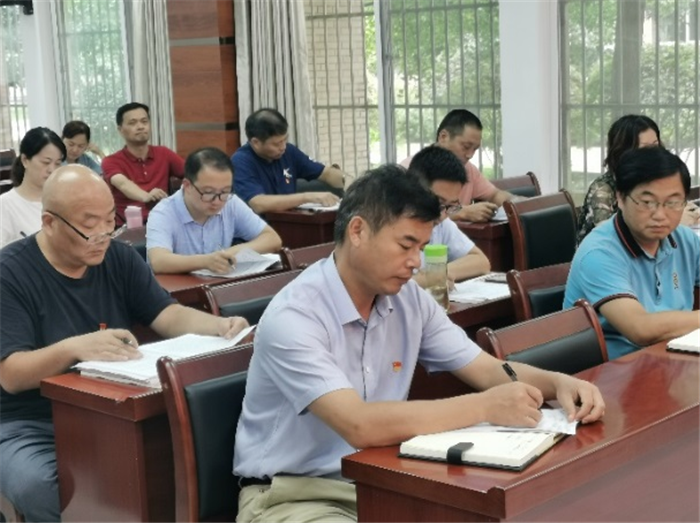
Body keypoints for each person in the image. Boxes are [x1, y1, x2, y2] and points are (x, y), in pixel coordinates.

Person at [233, 165, 605, 523]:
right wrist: (484, 406)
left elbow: (487, 369)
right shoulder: (295, 316)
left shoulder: (407, 299)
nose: (416, 263)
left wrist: (557, 383)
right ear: (358, 231)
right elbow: (359, 425)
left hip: (386, 480)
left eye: (423, 247)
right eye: (406, 245)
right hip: (294, 496)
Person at [0, 165, 249, 522]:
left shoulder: (118, 257)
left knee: (165, 471)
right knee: (50, 488)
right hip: (29, 421)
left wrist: (220, 325)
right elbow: (11, 374)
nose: (103, 235)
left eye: (109, 221)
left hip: (108, 413)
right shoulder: (10, 273)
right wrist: (75, 347)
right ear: (49, 222)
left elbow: (166, 314)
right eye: (89, 226)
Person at [564, 147, 700, 360]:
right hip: (615, 372)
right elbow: (640, 328)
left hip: (673, 360)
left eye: (672, 203)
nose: (660, 214)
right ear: (620, 198)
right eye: (647, 202)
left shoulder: (685, 239)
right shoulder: (599, 253)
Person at [147, 147, 282, 274]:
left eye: (225, 191)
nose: (217, 201)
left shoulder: (231, 203)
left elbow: (272, 239)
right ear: (187, 186)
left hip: (217, 285)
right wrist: (206, 261)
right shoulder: (163, 212)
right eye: (208, 192)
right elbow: (158, 261)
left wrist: (230, 253)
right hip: (177, 288)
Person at [577, 114, 699, 245]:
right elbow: (610, 238)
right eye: (645, 148)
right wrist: (676, 224)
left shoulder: (652, 181)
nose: (653, 153)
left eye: (655, 145)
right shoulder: (602, 190)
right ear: (624, 151)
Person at [400, 109, 522, 222]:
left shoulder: (468, 168)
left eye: (475, 149)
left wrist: (520, 202)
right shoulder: (410, 169)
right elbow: (409, 214)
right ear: (443, 137)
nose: (470, 155)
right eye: (466, 146)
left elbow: (494, 194)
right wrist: (461, 212)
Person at [231, 108, 346, 214]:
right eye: (276, 144)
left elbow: (326, 174)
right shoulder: (240, 161)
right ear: (256, 143)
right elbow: (258, 203)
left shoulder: (289, 152)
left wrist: (349, 184)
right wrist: (307, 197)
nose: (283, 147)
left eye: (285, 140)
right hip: (258, 227)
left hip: (289, 222)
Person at [407, 145, 490, 285]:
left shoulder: (441, 223)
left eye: (451, 206)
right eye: (438, 203)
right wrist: (425, 280)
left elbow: (481, 262)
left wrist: (439, 274)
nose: (442, 215)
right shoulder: (388, 226)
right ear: (414, 190)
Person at [102, 102, 184, 225]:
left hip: (162, 222)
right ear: (120, 130)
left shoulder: (164, 153)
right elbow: (122, 184)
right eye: (133, 123)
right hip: (126, 227)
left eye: (144, 121)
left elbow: (193, 174)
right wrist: (146, 196)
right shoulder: (111, 161)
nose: (140, 127)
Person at [0, 127, 65, 248]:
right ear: (25, 160)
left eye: (57, 163)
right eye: (46, 162)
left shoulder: (64, 200)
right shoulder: (5, 205)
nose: (52, 170)